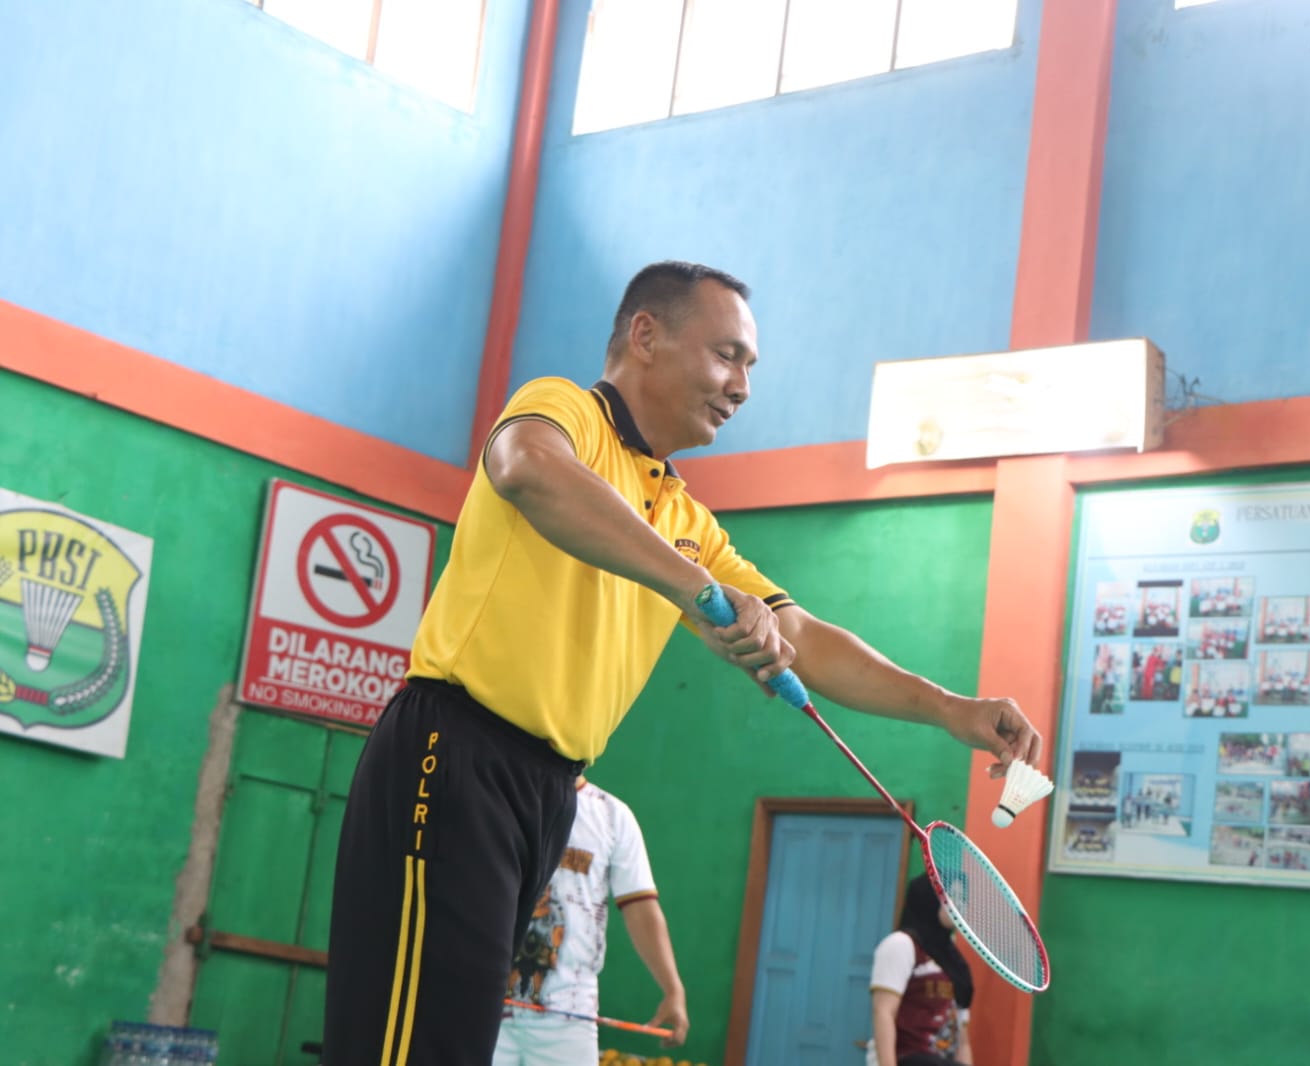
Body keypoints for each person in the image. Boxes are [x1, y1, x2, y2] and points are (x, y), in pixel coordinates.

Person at [322, 261, 1043, 1065]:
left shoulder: (684, 515)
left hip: (548, 789)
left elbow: (799, 632)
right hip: (455, 755)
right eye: (726, 355)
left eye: (749, 368)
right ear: (645, 335)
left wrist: (951, 709)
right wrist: (696, 588)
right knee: (412, 1047)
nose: (740, 386)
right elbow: (526, 468)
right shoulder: (566, 411)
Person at [496, 776, 684, 1064]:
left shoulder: (612, 815)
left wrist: (673, 988)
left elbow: (641, 907)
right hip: (485, 1007)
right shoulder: (498, 797)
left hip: (570, 1017)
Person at [866, 875, 973, 1066]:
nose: (959, 905)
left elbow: (963, 1040)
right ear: (930, 897)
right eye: (952, 896)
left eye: (962, 898)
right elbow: (883, 1012)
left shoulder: (957, 963)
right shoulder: (901, 945)